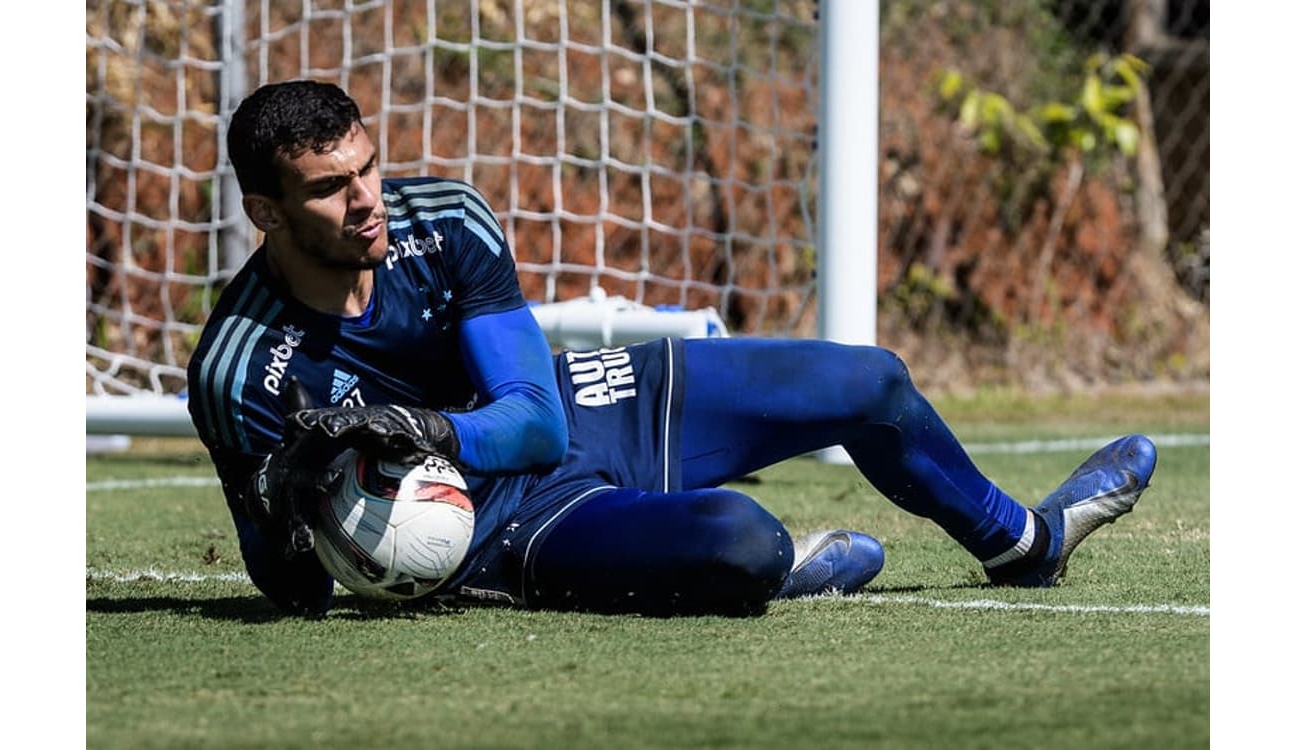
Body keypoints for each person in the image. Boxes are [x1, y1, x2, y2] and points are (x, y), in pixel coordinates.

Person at [186, 80, 1158, 617]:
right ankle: (762, 564)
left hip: (571, 414)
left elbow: (529, 424)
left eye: (369, 168)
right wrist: (293, 506)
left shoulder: (444, 218)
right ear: (265, 211)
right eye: (329, 189)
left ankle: (1021, 545)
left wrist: (428, 428)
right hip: (492, 534)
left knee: (872, 381)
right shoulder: (237, 371)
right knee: (743, 542)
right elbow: (289, 586)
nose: (367, 202)